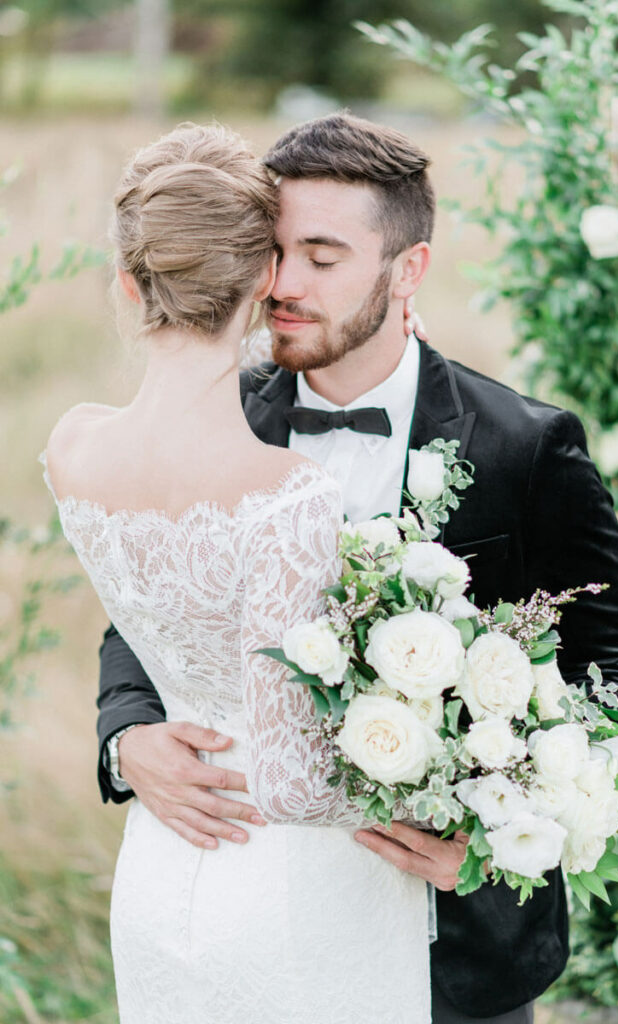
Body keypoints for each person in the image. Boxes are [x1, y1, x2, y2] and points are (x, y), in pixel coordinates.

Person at [96, 114, 618, 1024]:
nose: (282, 284)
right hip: (252, 911)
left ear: (408, 270)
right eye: (272, 252)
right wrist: (127, 742)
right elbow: (147, 609)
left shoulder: (523, 443)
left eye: (322, 256)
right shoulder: (217, 417)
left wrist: (489, 825)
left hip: (449, 936)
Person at [43, 122, 433, 1024]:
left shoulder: (73, 441)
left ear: (129, 283)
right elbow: (296, 783)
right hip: (300, 892)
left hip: (164, 853)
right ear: (265, 281)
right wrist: (439, 770)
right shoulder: (288, 495)